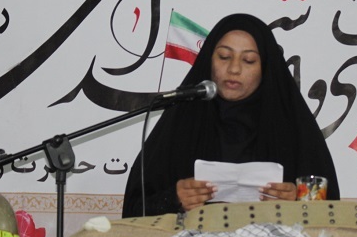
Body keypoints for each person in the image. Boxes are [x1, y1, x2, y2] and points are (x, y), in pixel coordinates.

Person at [122, 13, 340, 217]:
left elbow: (331, 216)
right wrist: (173, 199)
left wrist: (298, 201)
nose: (234, 69)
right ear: (209, 60)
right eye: (224, 56)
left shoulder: (293, 129)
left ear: (265, 68)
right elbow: (134, 210)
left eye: (248, 60)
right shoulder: (181, 122)